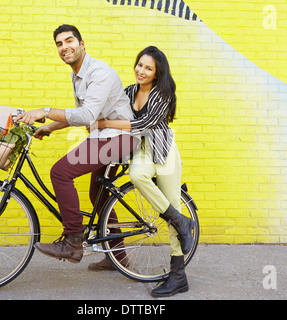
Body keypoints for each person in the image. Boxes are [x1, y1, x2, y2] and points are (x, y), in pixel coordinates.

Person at [15, 24, 136, 264]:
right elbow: (81, 113)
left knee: (60, 172)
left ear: (82, 44)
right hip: (105, 136)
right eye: (59, 44)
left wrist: (46, 111)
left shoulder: (98, 72)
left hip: (117, 137)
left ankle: (72, 242)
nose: (64, 47)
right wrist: (49, 126)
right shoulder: (78, 74)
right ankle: (119, 258)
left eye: (69, 41)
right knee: (98, 195)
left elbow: (86, 115)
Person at [90, 46, 194, 297]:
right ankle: (176, 221)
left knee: (170, 206)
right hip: (139, 151)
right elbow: (113, 109)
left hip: (163, 153)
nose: (142, 71)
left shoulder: (164, 93)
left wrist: (104, 123)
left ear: (157, 74)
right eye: (140, 65)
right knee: (126, 180)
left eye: (148, 68)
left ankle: (178, 275)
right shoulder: (129, 91)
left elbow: (141, 123)